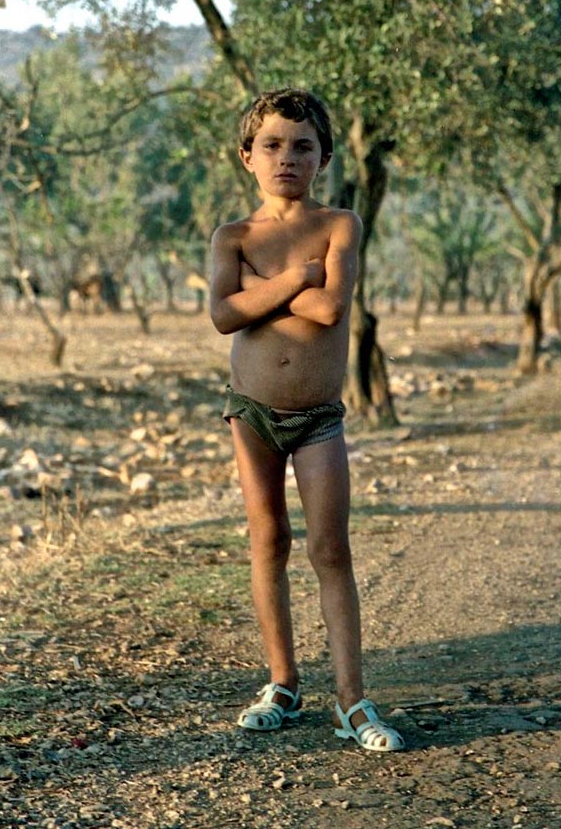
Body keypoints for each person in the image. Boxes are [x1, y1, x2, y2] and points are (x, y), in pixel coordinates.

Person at [209, 87, 405, 752]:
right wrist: (297, 278)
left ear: (323, 157)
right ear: (247, 156)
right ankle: (283, 681)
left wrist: (258, 295)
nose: (286, 157)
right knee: (268, 541)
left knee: (330, 548)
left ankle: (351, 700)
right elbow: (222, 316)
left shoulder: (340, 224)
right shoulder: (232, 236)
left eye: (302, 146)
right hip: (251, 413)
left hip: (318, 416)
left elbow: (329, 313)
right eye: (271, 145)